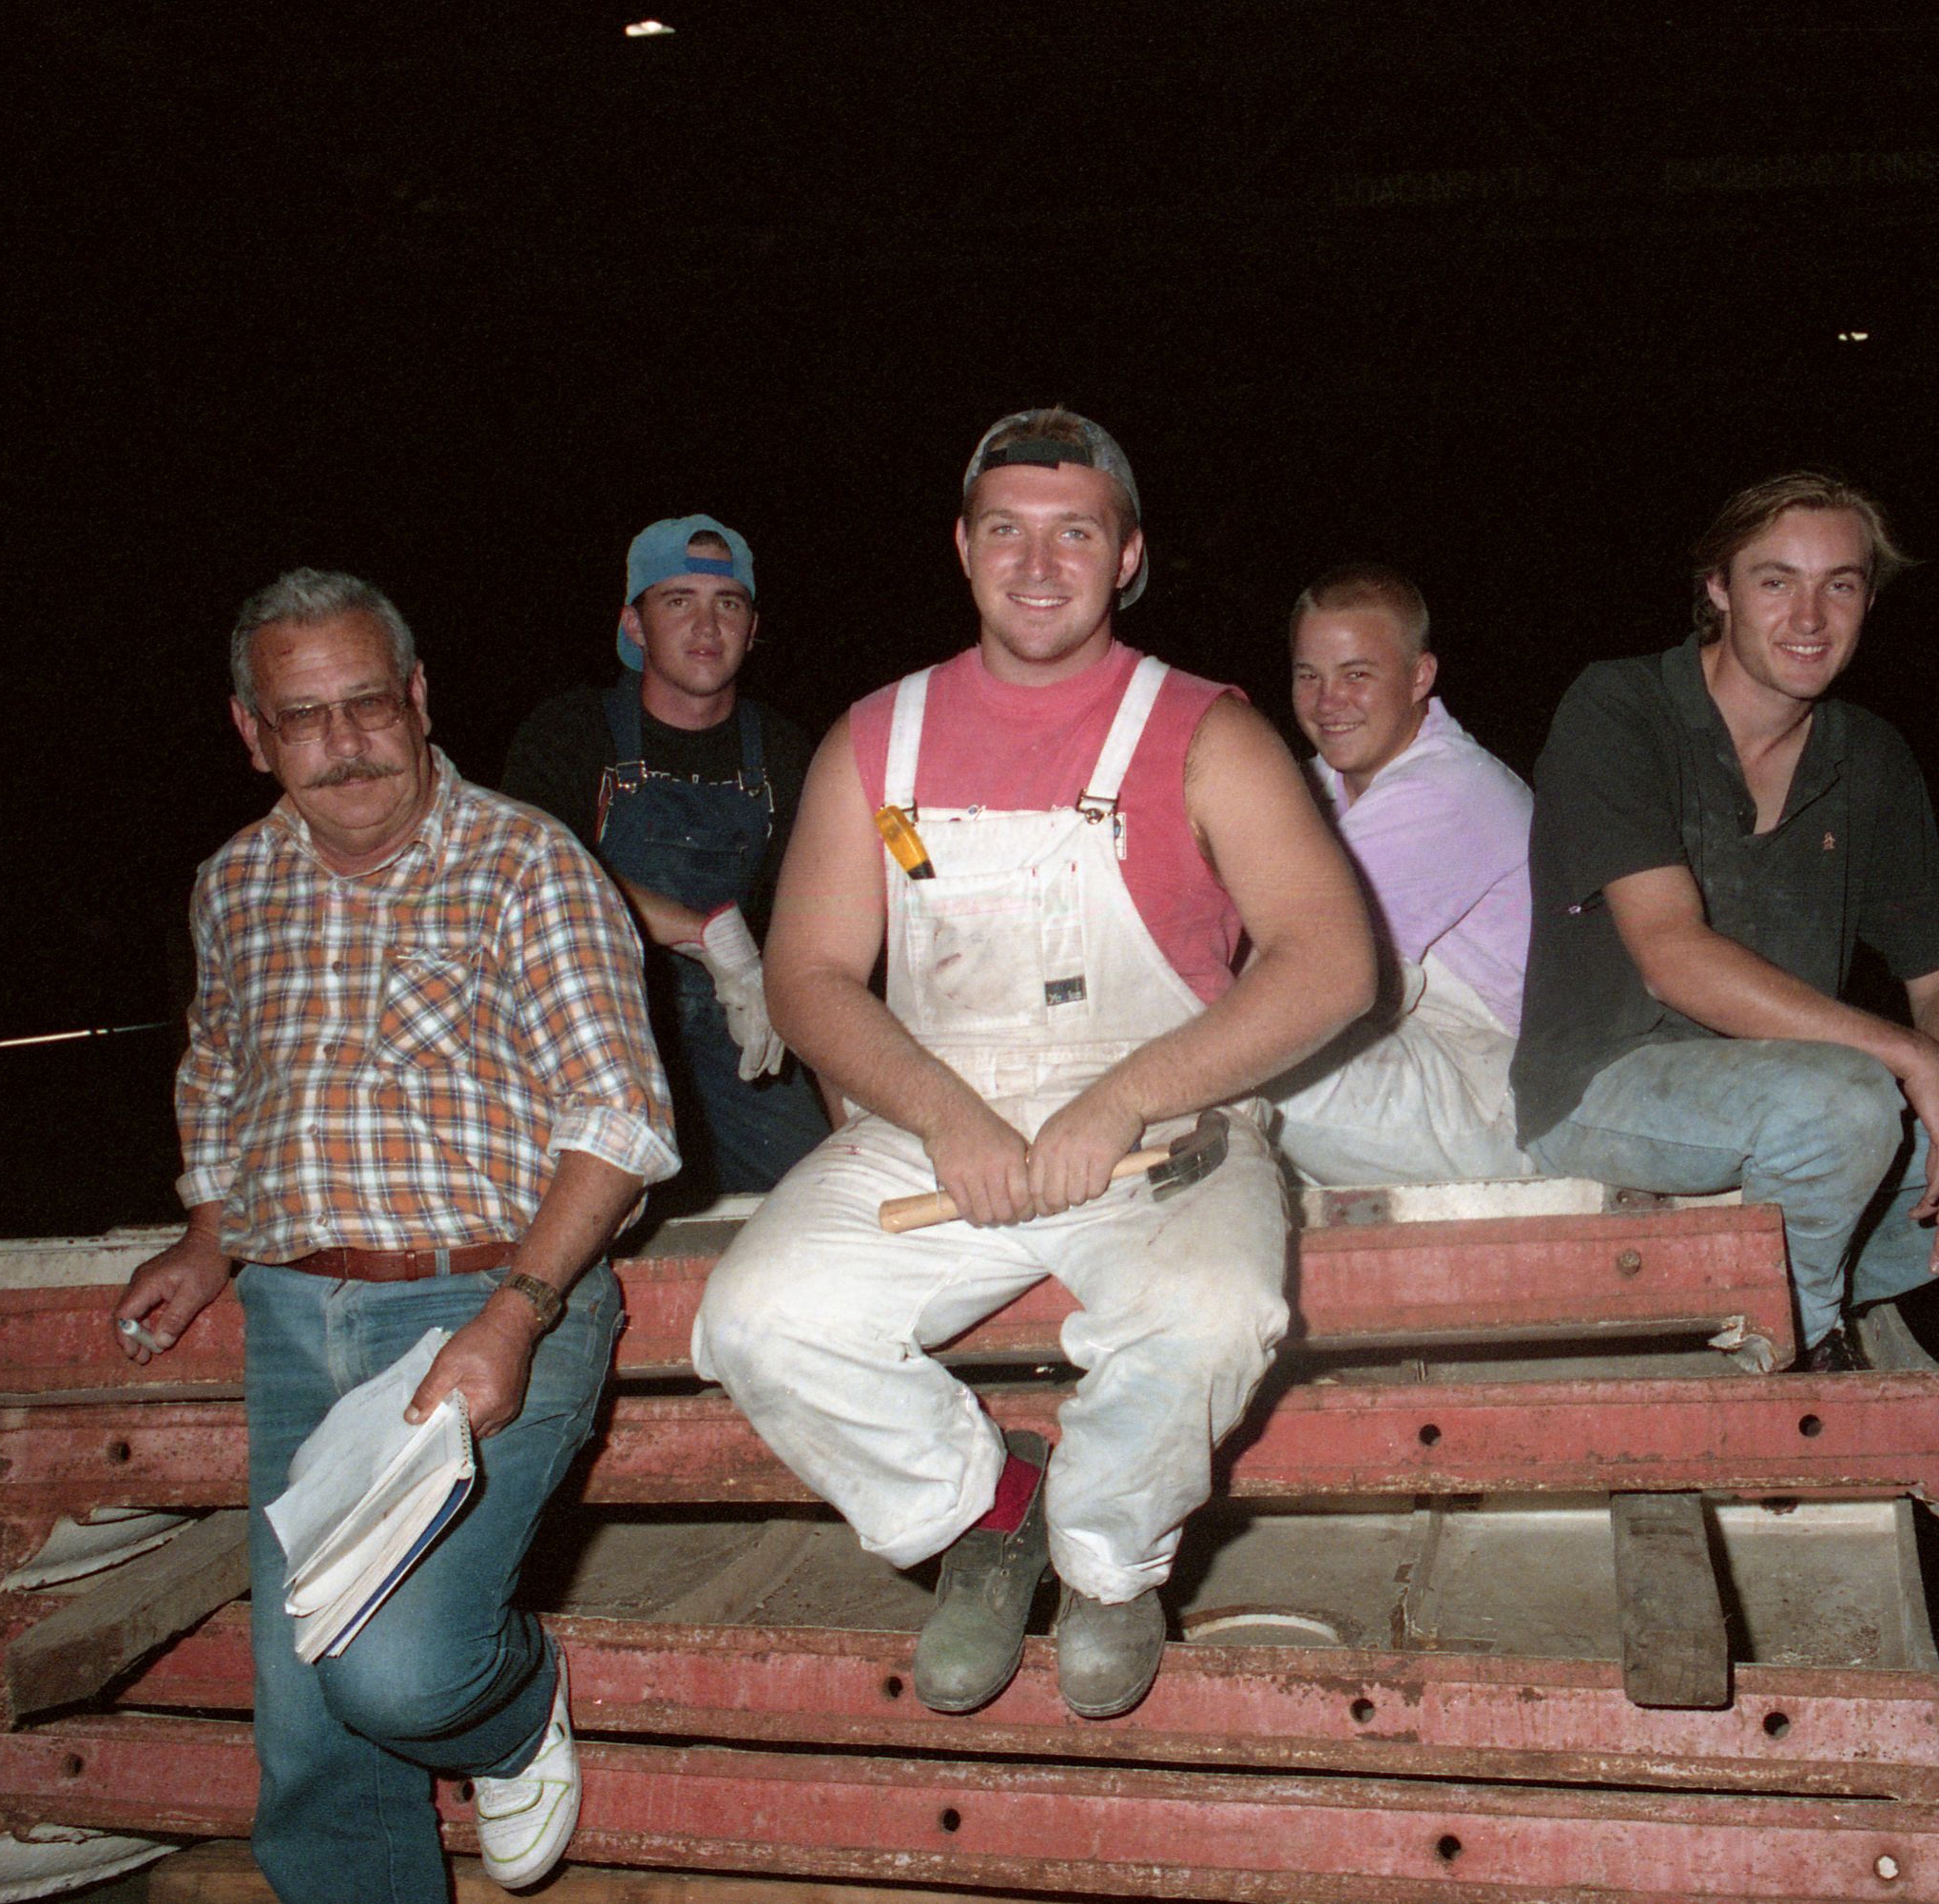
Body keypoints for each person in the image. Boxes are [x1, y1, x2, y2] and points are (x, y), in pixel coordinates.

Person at [691, 408, 1372, 1720]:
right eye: (1007, 530)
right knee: (756, 1317)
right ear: (962, 547)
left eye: (1076, 532)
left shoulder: (1206, 730)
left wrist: (1123, 1095)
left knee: (1212, 1312)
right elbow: (809, 974)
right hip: (943, 1116)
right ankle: (986, 1508)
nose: (1040, 562)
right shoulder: (875, 738)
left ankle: (1111, 1559)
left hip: (1166, 1118)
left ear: (1126, 556)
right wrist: (943, 1113)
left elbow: (1332, 959)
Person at [111, 570, 679, 1902]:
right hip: (295, 1324)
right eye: (303, 715)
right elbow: (218, 1077)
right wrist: (209, 1234)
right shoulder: (233, 883)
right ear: (252, 731)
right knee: (309, 1733)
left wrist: (514, 1313)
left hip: (491, 1294)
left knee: (400, 1674)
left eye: (370, 701)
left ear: (419, 700)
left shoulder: (527, 859)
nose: (345, 739)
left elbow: (622, 1117)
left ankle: (512, 1700)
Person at [1514, 474, 1939, 1369]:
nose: (1809, 616)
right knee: (1843, 1100)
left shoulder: (1869, 757)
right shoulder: (1620, 708)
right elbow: (1672, 957)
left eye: (1839, 583)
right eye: (1775, 581)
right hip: (1610, 1079)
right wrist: (1915, 1057)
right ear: (1717, 590)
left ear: (1868, 600)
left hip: (1805, 1093)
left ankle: (1764, 1287)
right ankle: (1792, 1344)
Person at [502, 516, 829, 1200]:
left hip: (740, 1029)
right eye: (678, 601)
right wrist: (706, 932)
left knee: (819, 1197)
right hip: (587, 1027)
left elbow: (815, 916)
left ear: (752, 626)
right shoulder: (570, 731)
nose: (706, 628)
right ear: (634, 624)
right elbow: (538, 877)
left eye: (728, 604)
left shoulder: (782, 751)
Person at [1266, 561, 1533, 1184]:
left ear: (1420, 676)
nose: (1328, 703)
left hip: (1500, 1084)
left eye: (1357, 675)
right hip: (1413, 1049)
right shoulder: (1316, 787)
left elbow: (1299, 967)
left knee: (1257, 1060)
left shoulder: (1446, 791)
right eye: (1309, 676)